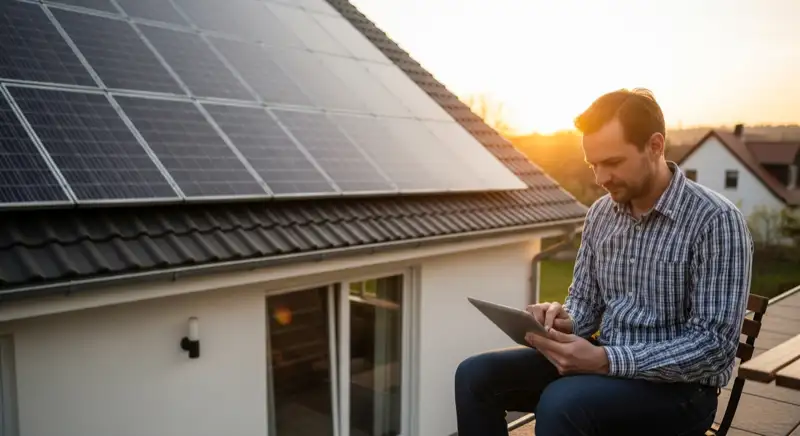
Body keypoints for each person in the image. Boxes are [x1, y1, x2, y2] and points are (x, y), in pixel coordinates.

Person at [454, 88, 753, 435]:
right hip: (602, 360)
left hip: (681, 390)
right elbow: (585, 303)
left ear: (655, 146)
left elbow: (713, 348)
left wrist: (607, 361)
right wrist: (563, 321)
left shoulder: (716, 221)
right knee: (474, 376)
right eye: (593, 164)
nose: (600, 178)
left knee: (562, 403)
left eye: (612, 162)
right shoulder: (600, 214)